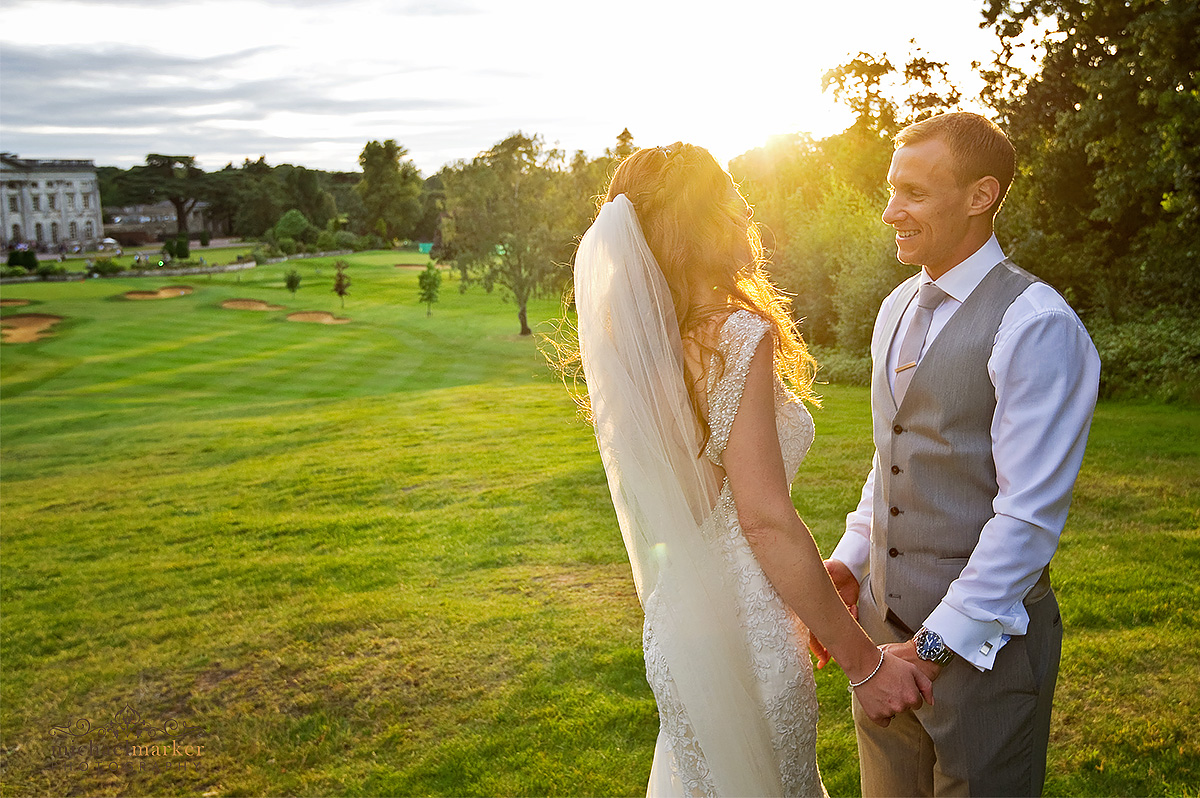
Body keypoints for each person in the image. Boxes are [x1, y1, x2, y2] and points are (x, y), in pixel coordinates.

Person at [568, 143, 933, 797]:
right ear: (703, 221)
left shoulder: (641, 350)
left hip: (679, 631)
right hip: (748, 629)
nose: (749, 210)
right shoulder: (734, 336)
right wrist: (864, 662)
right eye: (734, 198)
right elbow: (763, 521)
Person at [820, 112, 1101, 796]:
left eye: (914, 193)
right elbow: (894, 455)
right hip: (882, 645)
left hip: (986, 658)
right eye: (892, 191)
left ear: (981, 196)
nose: (891, 212)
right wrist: (853, 561)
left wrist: (934, 644)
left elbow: (1028, 519)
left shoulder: (1036, 324)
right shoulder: (894, 308)